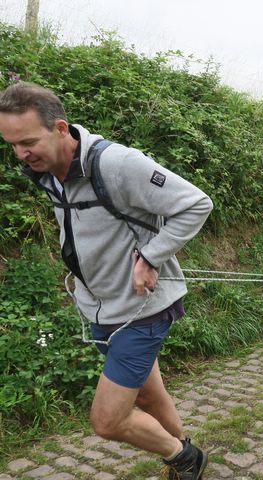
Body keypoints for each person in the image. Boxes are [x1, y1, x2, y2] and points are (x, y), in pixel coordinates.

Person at [0, 82, 213, 480]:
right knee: (150, 394)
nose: (21, 155)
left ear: (60, 128)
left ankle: (184, 457)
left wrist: (151, 256)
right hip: (100, 306)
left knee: (108, 420)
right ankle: (183, 461)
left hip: (141, 309)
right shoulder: (46, 169)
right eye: (12, 145)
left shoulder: (117, 165)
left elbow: (196, 204)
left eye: (28, 142)